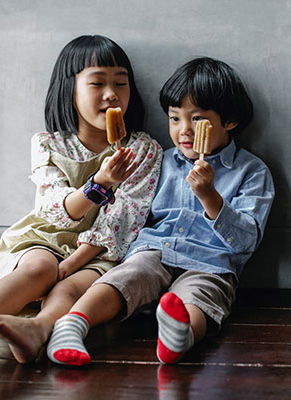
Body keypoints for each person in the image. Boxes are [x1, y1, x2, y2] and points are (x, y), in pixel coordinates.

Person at [41, 57, 274, 367]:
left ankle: (182, 333)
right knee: (126, 277)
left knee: (202, 295)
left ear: (230, 121)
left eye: (197, 119)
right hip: (153, 250)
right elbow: (131, 210)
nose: (184, 130)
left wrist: (210, 196)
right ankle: (71, 325)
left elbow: (245, 241)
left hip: (210, 262)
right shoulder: (159, 161)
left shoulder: (252, 171)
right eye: (174, 118)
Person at [0, 35, 162, 363]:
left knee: (68, 289)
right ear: (69, 90)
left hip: (100, 251)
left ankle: (38, 330)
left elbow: (124, 217)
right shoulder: (48, 144)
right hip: (45, 238)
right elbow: (52, 207)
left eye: (121, 83)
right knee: (39, 269)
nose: (112, 94)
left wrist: (69, 265)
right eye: (97, 83)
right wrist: (99, 184)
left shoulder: (141, 149)